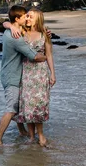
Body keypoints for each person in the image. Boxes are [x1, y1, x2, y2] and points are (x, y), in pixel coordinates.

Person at [0, 6, 47, 146]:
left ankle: (22, 132)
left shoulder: (9, 30)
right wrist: (46, 56)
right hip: (12, 77)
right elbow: (34, 56)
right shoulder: (16, 37)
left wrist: (10, 25)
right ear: (17, 19)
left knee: (18, 107)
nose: (27, 18)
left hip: (8, 74)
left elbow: (5, 23)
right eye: (24, 16)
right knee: (11, 109)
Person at [6, 8, 55, 147]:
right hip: (26, 72)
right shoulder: (22, 32)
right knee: (27, 105)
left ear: (37, 19)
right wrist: (10, 25)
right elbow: (6, 23)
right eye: (27, 16)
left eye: (30, 17)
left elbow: (49, 55)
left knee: (38, 105)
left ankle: (41, 135)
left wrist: (53, 74)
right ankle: (32, 137)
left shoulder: (44, 34)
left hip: (40, 73)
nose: (27, 18)